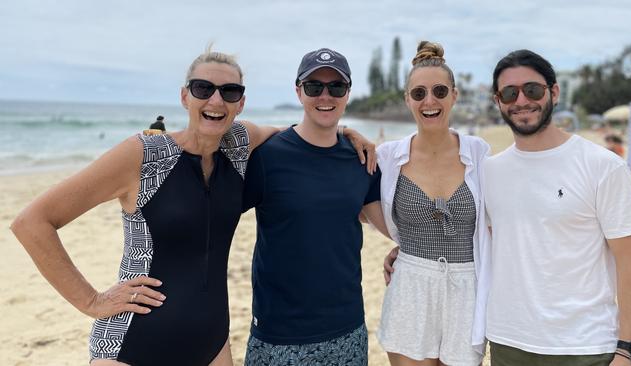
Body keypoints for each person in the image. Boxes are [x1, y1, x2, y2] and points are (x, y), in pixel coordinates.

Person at [11, 47, 281, 366]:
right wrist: (91, 301)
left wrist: (346, 133)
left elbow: (296, 135)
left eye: (229, 91)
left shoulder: (240, 143)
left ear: (241, 103)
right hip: (133, 344)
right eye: (203, 88)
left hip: (212, 345)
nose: (216, 100)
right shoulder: (144, 155)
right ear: (185, 97)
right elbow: (32, 222)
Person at [484, 49, 631, 366]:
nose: (521, 101)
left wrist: (628, 350)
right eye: (509, 93)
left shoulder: (602, 166)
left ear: (554, 93)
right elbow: (484, 242)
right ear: (498, 101)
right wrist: (405, 250)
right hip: (508, 344)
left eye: (532, 90)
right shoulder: (488, 172)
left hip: (586, 348)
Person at [241, 47, 385, 365]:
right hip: (278, 335)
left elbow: (389, 225)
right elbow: (212, 216)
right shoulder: (267, 156)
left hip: (348, 329)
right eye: (314, 87)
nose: (325, 96)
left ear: (347, 93)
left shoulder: (362, 159)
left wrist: (407, 248)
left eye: (336, 87)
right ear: (298, 91)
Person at [375, 41, 490, 366]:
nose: (430, 101)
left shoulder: (480, 154)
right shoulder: (388, 157)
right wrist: (346, 131)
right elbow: (348, 190)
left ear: (454, 95)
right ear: (407, 100)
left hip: (467, 288)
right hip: (410, 285)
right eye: (419, 93)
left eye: (440, 91)